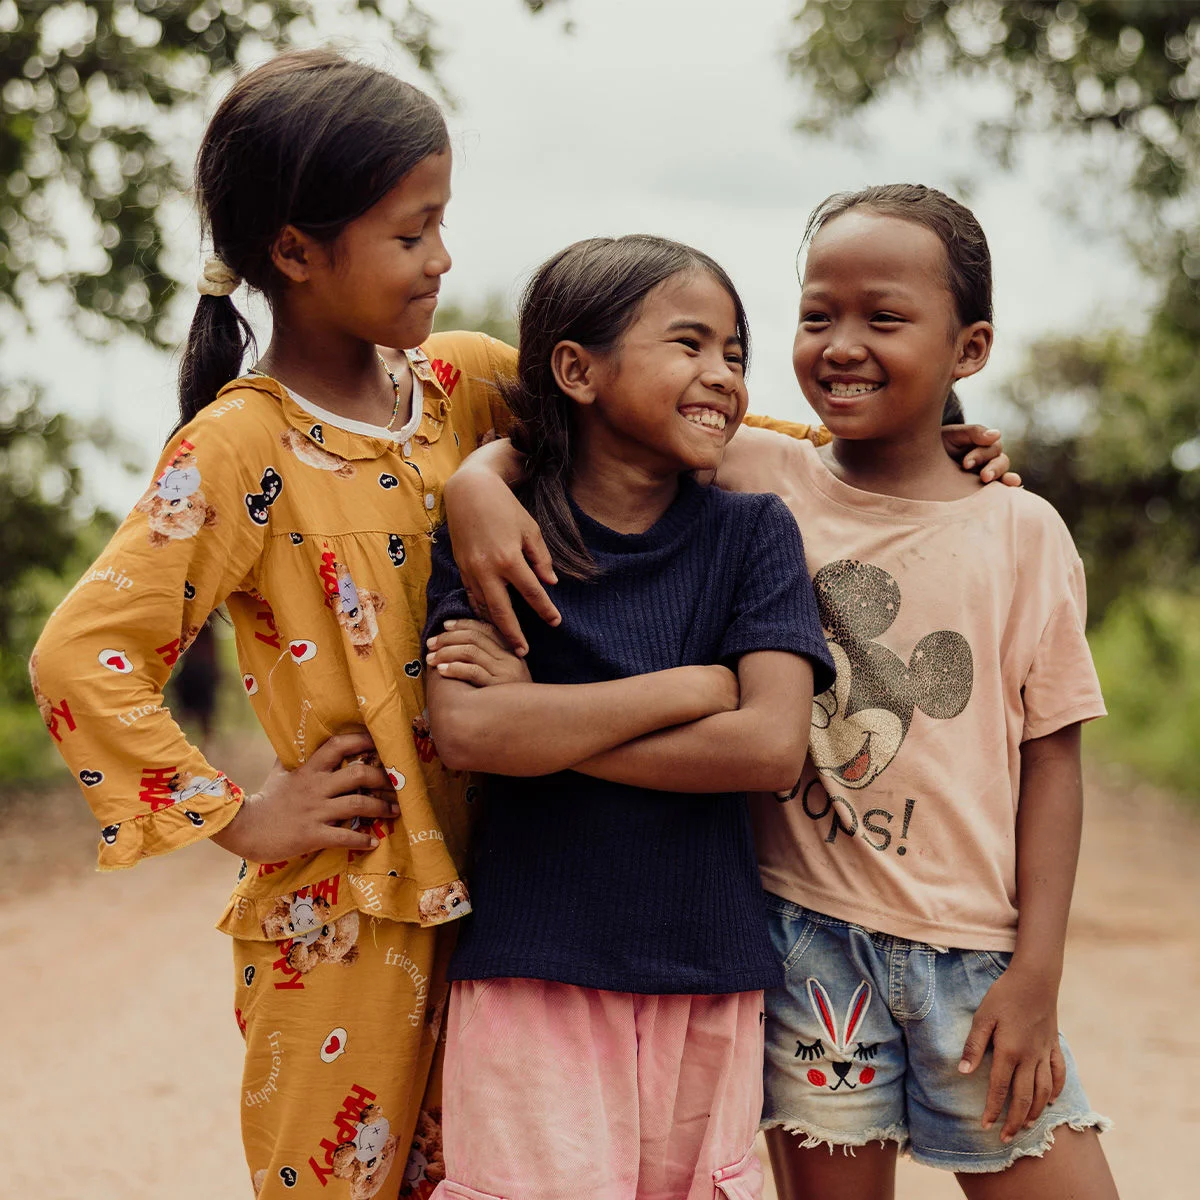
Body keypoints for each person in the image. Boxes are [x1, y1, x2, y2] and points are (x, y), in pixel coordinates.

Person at [28, 48, 542, 1200]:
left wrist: (885, 457)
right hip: (344, 920)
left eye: (442, 224)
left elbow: (643, 406)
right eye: (412, 233)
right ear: (296, 253)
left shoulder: (461, 386)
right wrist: (242, 819)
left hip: (515, 892)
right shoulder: (240, 446)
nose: (443, 259)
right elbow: (82, 653)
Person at [711, 185, 1119, 1200]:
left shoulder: (1022, 532)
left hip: (977, 967)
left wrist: (1038, 972)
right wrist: (483, 486)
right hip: (806, 943)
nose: (841, 344)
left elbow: (1053, 762)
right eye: (817, 315)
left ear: (969, 349)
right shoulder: (756, 473)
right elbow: (577, 413)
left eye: (884, 318)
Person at [420, 234, 837, 1200]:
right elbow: (475, 733)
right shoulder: (501, 532)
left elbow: (769, 746)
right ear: (577, 369)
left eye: (736, 352)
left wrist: (547, 725)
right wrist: (691, 689)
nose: (722, 374)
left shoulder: (753, 533)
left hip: (709, 969)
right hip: (536, 968)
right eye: (689, 343)